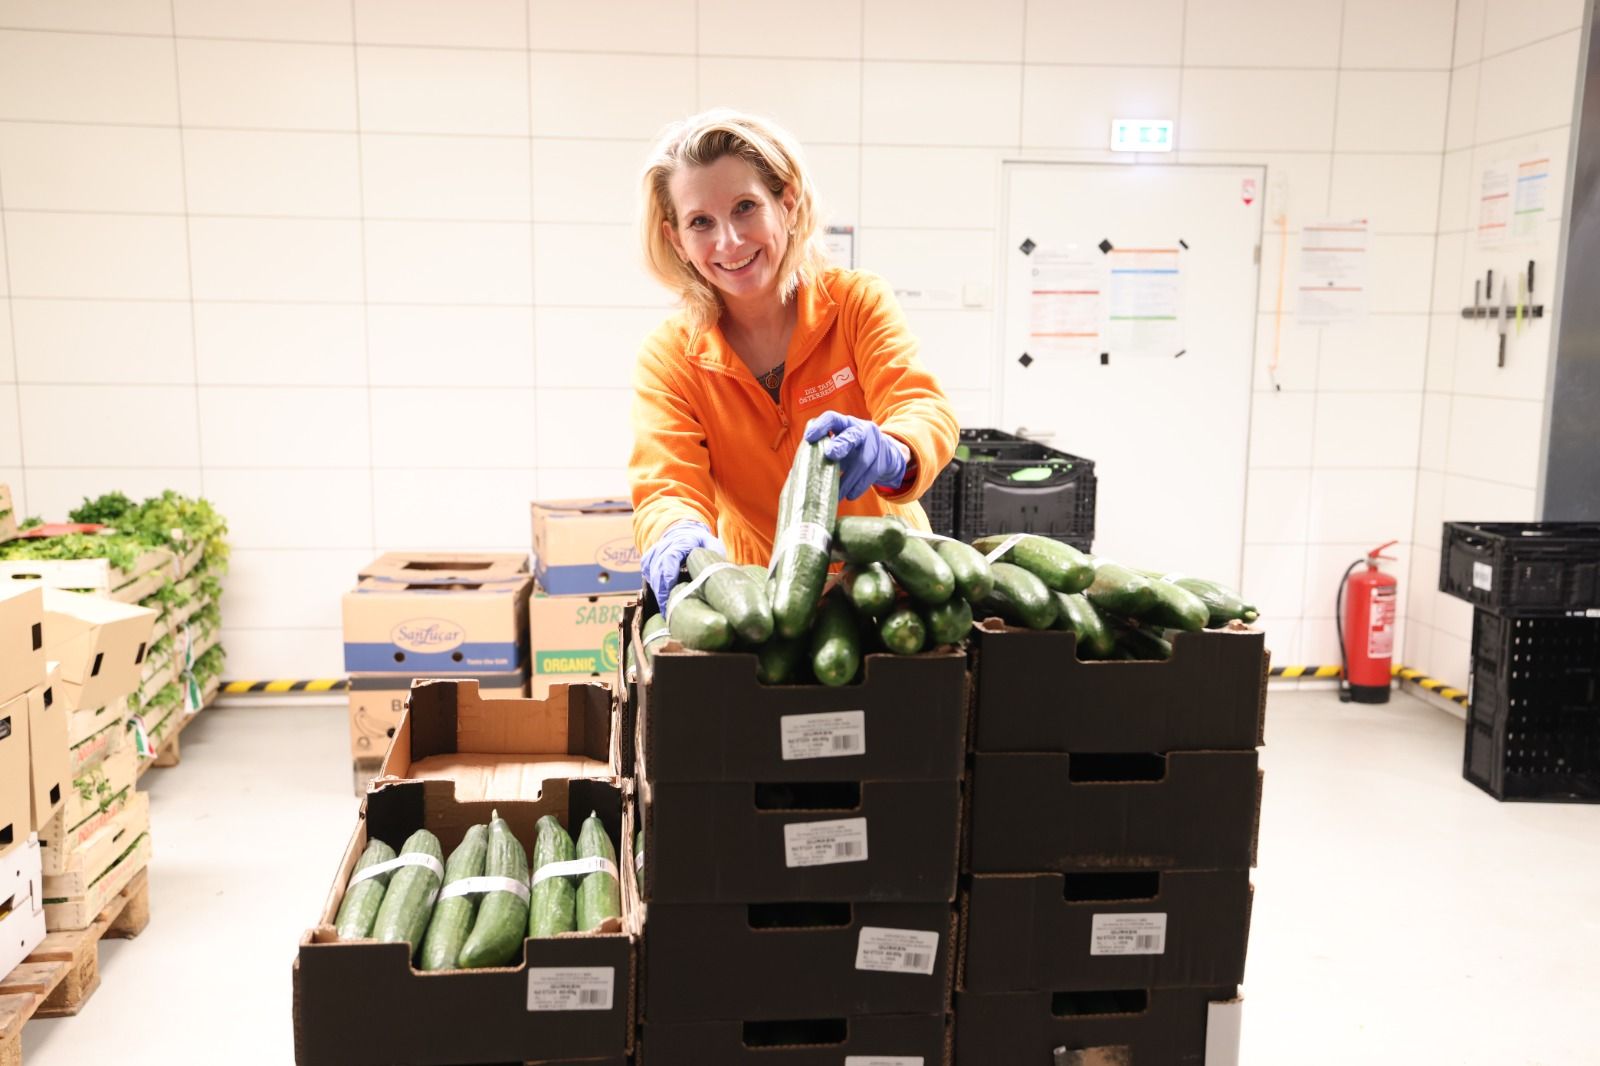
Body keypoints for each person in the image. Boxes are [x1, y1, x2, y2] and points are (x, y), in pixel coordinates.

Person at [629, 109, 958, 610]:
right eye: (701, 222)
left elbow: (920, 406)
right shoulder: (672, 358)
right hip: (767, 597)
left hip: (895, 582)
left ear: (786, 202)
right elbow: (667, 482)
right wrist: (676, 529)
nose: (730, 241)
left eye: (745, 207)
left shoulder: (853, 303)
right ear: (677, 239)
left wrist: (895, 449)